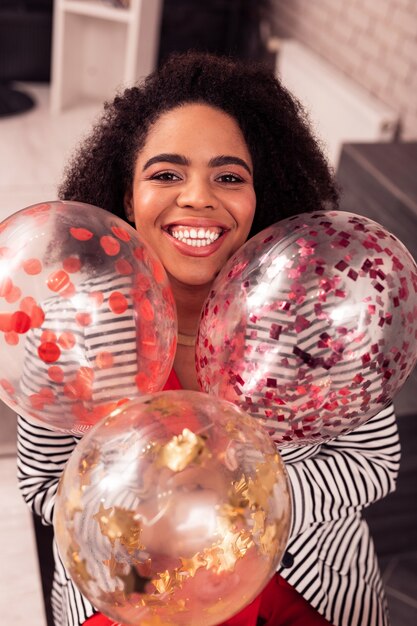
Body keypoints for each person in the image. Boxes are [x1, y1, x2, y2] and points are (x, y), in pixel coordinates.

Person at [17, 52, 400, 626]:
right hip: (132, 597)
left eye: (229, 176)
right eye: (166, 174)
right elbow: (43, 481)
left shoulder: (316, 316)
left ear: (258, 199)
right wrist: (146, 514)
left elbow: (374, 461)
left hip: (301, 592)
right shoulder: (70, 329)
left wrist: (241, 500)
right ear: (127, 199)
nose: (198, 197)